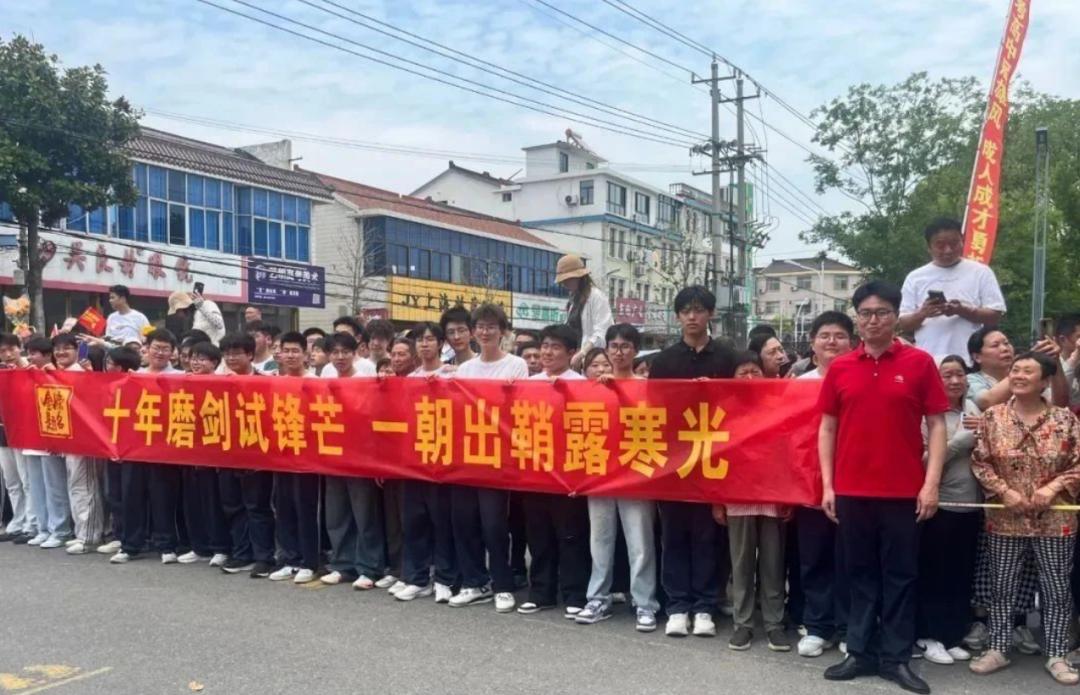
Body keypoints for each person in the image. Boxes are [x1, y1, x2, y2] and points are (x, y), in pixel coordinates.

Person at [819, 280, 949, 695]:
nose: (873, 320)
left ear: (896, 316)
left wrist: (931, 484)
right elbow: (827, 427)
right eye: (866, 313)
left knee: (900, 575)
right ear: (857, 318)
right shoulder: (841, 367)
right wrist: (828, 485)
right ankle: (859, 651)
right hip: (852, 490)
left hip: (903, 492)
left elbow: (937, 425)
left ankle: (896, 658)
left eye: (882, 313)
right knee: (858, 574)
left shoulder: (919, 363)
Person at [969, 352, 1080, 686]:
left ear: (1044, 381)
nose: (1018, 376)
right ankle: (998, 647)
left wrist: (1054, 488)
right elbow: (980, 461)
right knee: (1002, 585)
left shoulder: (1065, 419)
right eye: (1015, 370)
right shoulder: (993, 417)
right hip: (1006, 517)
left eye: (1027, 371)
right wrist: (1004, 492)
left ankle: (1056, 653)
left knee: (1056, 587)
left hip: (1055, 519)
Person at [649, 286, 736, 638]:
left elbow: (742, 405)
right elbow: (652, 409)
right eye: (685, 310)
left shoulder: (727, 358)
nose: (692, 316)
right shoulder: (664, 361)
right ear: (677, 316)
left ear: (710, 314)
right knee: (673, 536)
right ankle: (677, 606)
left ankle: (704, 607)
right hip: (674, 461)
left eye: (699, 309)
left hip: (714, 457)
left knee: (707, 536)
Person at [576, 323, 659, 632]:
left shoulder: (647, 386)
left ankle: (644, 602)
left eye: (625, 346)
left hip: (636, 473)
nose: (619, 352)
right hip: (600, 471)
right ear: (607, 349)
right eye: (614, 346)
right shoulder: (593, 387)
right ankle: (597, 598)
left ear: (635, 350)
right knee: (600, 540)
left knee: (640, 543)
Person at [449, 303, 527, 612]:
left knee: (494, 525)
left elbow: (522, 407)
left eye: (491, 326)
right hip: (467, 455)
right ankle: (474, 582)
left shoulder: (516, 365)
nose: (485, 332)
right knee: (464, 521)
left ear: (502, 331)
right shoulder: (465, 369)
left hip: (497, 457)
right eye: (480, 326)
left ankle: (502, 585)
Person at [907, 354, 982, 667]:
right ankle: (927, 634)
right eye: (946, 375)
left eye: (959, 374)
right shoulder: (927, 415)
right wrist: (959, 442)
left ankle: (951, 634)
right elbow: (922, 461)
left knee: (960, 573)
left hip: (972, 505)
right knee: (933, 572)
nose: (954, 381)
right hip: (939, 504)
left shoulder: (974, 410)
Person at [719, 340, 791, 653]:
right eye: (742, 372)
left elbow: (790, 453)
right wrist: (717, 500)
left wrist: (790, 495)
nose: (749, 378)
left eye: (754, 371)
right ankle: (743, 624)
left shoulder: (780, 407)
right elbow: (714, 459)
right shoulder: (724, 412)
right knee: (741, 564)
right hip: (736, 499)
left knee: (774, 564)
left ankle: (774, 624)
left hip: (773, 498)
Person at [517, 324, 590, 619]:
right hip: (536, 472)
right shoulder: (529, 384)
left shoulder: (583, 385)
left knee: (571, 536)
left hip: (569, 473)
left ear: (571, 352)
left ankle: (574, 593)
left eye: (555, 347)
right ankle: (541, 593)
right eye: (545, 345)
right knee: (539, 535)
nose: (547, 352)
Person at [793, 312, 855, 659]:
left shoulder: (860, 379)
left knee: (850, 559)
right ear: (813, 343)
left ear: (852, 343)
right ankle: (818, 626)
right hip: (809, 485)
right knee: (814, 558)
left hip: (853, 483)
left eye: (840, 335)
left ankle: (849, 627)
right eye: (825, 335)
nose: (832, 341)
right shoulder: (798, 385)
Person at [319, 332, 388, 591]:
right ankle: (342, 564)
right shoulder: (325, 377)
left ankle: (369, 567)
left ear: (355, 353)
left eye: (345, 352)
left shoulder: (365, 379)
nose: (340, 357)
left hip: (360, 457)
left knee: (364, 515)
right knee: (337, 514)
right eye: (335, 352)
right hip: (333, 455)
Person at [394, 322, 457, 603]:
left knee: (441, 522)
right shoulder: (410, 379)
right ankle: (418, 578)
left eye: (430, 339)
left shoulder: (452, 375)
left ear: (441, 343)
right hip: (414, 460)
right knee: (414, 521)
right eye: (420, 340)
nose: (424, 344)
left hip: (443, 459)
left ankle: (444, 578)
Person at [110, 329, 184, 565]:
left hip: (165, 449)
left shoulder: (181, 377)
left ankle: (166, 545)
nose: (160, 353)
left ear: (173, 353)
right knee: (131, 497)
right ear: (147, 349)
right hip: (135, 447)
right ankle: (130, 545)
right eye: (156, 347)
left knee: (163, 498)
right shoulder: (134, 376)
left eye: (165, 349)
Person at [899, 217, 1006, 364]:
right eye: (940, 245)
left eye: (954, 243)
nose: (948, 250)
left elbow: (995, 315)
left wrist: (962, 310)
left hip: (970, 359)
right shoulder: (915, 277)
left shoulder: (980, 272)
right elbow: (903, 324)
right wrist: (923, 313)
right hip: (929, 359)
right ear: (929, 247)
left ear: (962, 241)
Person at [214, 333, 275, 578]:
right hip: (227, 453)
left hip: (256, 454)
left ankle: (264, 557)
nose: (231, 358)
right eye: (227, 354)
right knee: (233, 506)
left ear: (250, 354)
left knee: (257, 507)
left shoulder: (266, 382)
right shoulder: (218, 383)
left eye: (237, 353)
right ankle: (242, 553)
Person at [268, 332, 321, 585]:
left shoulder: (315, 382)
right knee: (284, 507)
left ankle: (309, 562)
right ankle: (289, 559)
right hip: (281, 453)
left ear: (305, 354)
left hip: (307, 456)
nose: (290, 355)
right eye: (286, 350)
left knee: (305, 508)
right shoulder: (273, 382)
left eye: (295, 351)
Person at [50, 333, 106, 555]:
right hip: (68, 438)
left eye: (67, 348)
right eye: (57, 348)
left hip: (84, 441)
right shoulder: (58, 374)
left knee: (86, 487)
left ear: (77, 350)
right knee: (75, 486)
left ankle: (89, 536)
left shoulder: (82, 374)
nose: (61, 352)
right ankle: (81, 532)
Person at [95, 346, 141, 557]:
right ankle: (119, 536)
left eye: (109, 363)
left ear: (120, 367)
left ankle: (132, 543)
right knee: (114, 495)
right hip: (111, 446)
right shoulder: (107, 386)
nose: (106, 367)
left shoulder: (138, 385)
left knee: (130, 497)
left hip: (132, 450)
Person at [0, 332, 35, 544]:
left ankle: (32, 523)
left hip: (24, 431)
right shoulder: (2, 372)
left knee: (26, 479)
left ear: (20, 347)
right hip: (3, 432)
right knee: (11, 481)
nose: (8, 354)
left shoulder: (31, 370)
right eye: (3, 351)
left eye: (11, 349)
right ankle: (17, 521)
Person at [555, 254, 613, 370]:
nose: (564, 284)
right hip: (574, 358)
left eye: (567, 279)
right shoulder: (573, 300)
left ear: (579, 277)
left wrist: (582, 353)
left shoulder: (596, 296)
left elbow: (602, 332)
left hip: (593, 360)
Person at [1053, 314, 1080, 409]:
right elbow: (1057, 399)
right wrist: (1074, 358)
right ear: (1063, 340)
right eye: (1079, 336)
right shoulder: (1050, 365)